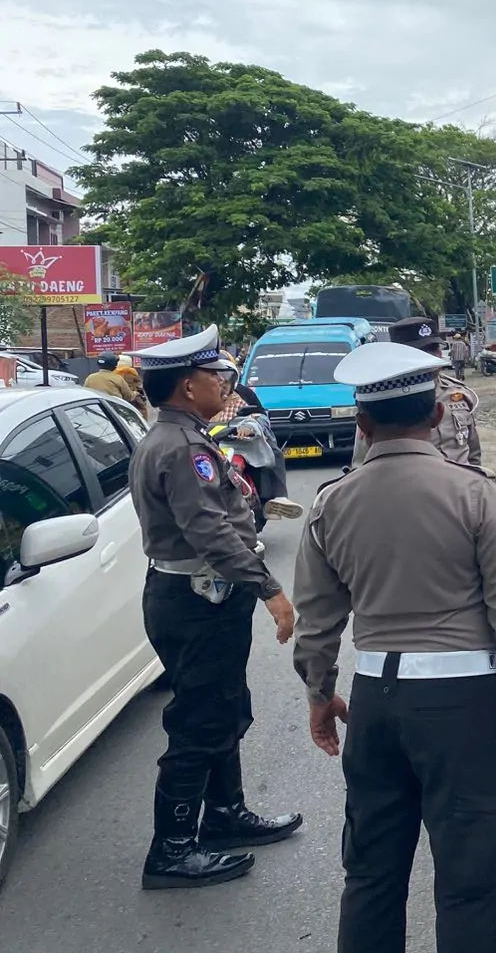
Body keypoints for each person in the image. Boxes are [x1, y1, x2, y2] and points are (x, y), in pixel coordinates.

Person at [292, 341, 496, 953]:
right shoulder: (473, 493)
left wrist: (318, 693)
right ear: (438, 415)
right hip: (460, 705)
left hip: (374, 700)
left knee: (371, 873)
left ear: (361, 424)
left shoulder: (332, 501)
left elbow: (317, 619)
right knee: (468, 878)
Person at [129, 325, 302, 890]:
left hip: (200, 598)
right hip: (196, 600)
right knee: (200, 720)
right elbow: (210, 532)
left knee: (223, 705)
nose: (225, 384)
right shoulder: (183, 449)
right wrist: (269, 589)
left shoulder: (182, 437)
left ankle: (225, 815)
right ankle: (172, 849)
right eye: (215, 375)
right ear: (187, 385)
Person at [351, 318, 483, 469]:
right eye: (421, 351)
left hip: (460, 482)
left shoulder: (458, 393)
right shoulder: (384, 399)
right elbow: (361, 464)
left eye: (434, 348)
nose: (431, 356)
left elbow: (473, 454)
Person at [209, 354, 303, 521]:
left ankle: (276, 498)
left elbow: (260, 415)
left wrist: (250, 426)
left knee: (272, 451)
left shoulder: (243, 394)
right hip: (213, 443)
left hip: (244, 443)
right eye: (216, 375)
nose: (222, 381)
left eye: (226, 375)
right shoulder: (203, 397)